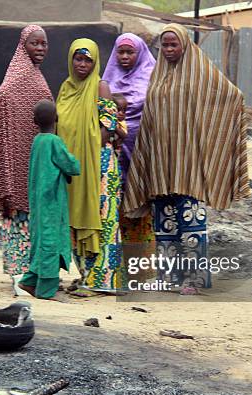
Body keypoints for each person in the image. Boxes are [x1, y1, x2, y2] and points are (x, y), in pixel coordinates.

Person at [123, 24, 250, 290]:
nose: (168, 50)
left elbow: (231, 95)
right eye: (164, 45)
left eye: (173, 45)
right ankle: (169, 278)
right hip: (161, 163)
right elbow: (151, 119)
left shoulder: (200, 72)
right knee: (165, 225)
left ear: (184, 45)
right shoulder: (157, 75)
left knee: (190, 224)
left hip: (189, 163)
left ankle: (194, 279)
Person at [0, 25, 53, 280]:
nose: (40, 49)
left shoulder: (36, 78)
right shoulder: (16, 82)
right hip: (17, 164)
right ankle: (20, 273)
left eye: (44, 44)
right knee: (21, 216)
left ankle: (27, 272)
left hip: (36, 160)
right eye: (35, 43)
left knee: (32, 219)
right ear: (23, 45)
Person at [56, 39, 123, 296]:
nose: (82, 65)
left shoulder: (100, 87)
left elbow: (108, 129)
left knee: (104, 221)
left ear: (95, 63)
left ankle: (104, 280)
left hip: (99, 165)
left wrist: (86, 155)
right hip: (73, 167)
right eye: (78, 59)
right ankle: (86, 276)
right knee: (76, 221)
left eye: (88, 60)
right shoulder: (66, 88)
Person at [103, 34, 157, 279]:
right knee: (115, 212)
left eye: (130, 52)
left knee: (142, 208)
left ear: (140, 53)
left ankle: (143, 270)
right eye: (120, 52)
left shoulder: (153, 77)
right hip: (114, 158)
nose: (124, 57)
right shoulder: (106, 81)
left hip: (143, 155)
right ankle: (117, 270)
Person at [19, 100, 80, 300]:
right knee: (50, 243)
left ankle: (29, 281)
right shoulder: (55, 142)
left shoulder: (37, 141)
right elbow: (72, 166)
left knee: (42, 240)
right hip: (52, 202)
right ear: (56, 118)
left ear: (34, 121)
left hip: (38, 201)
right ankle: (46, 290)